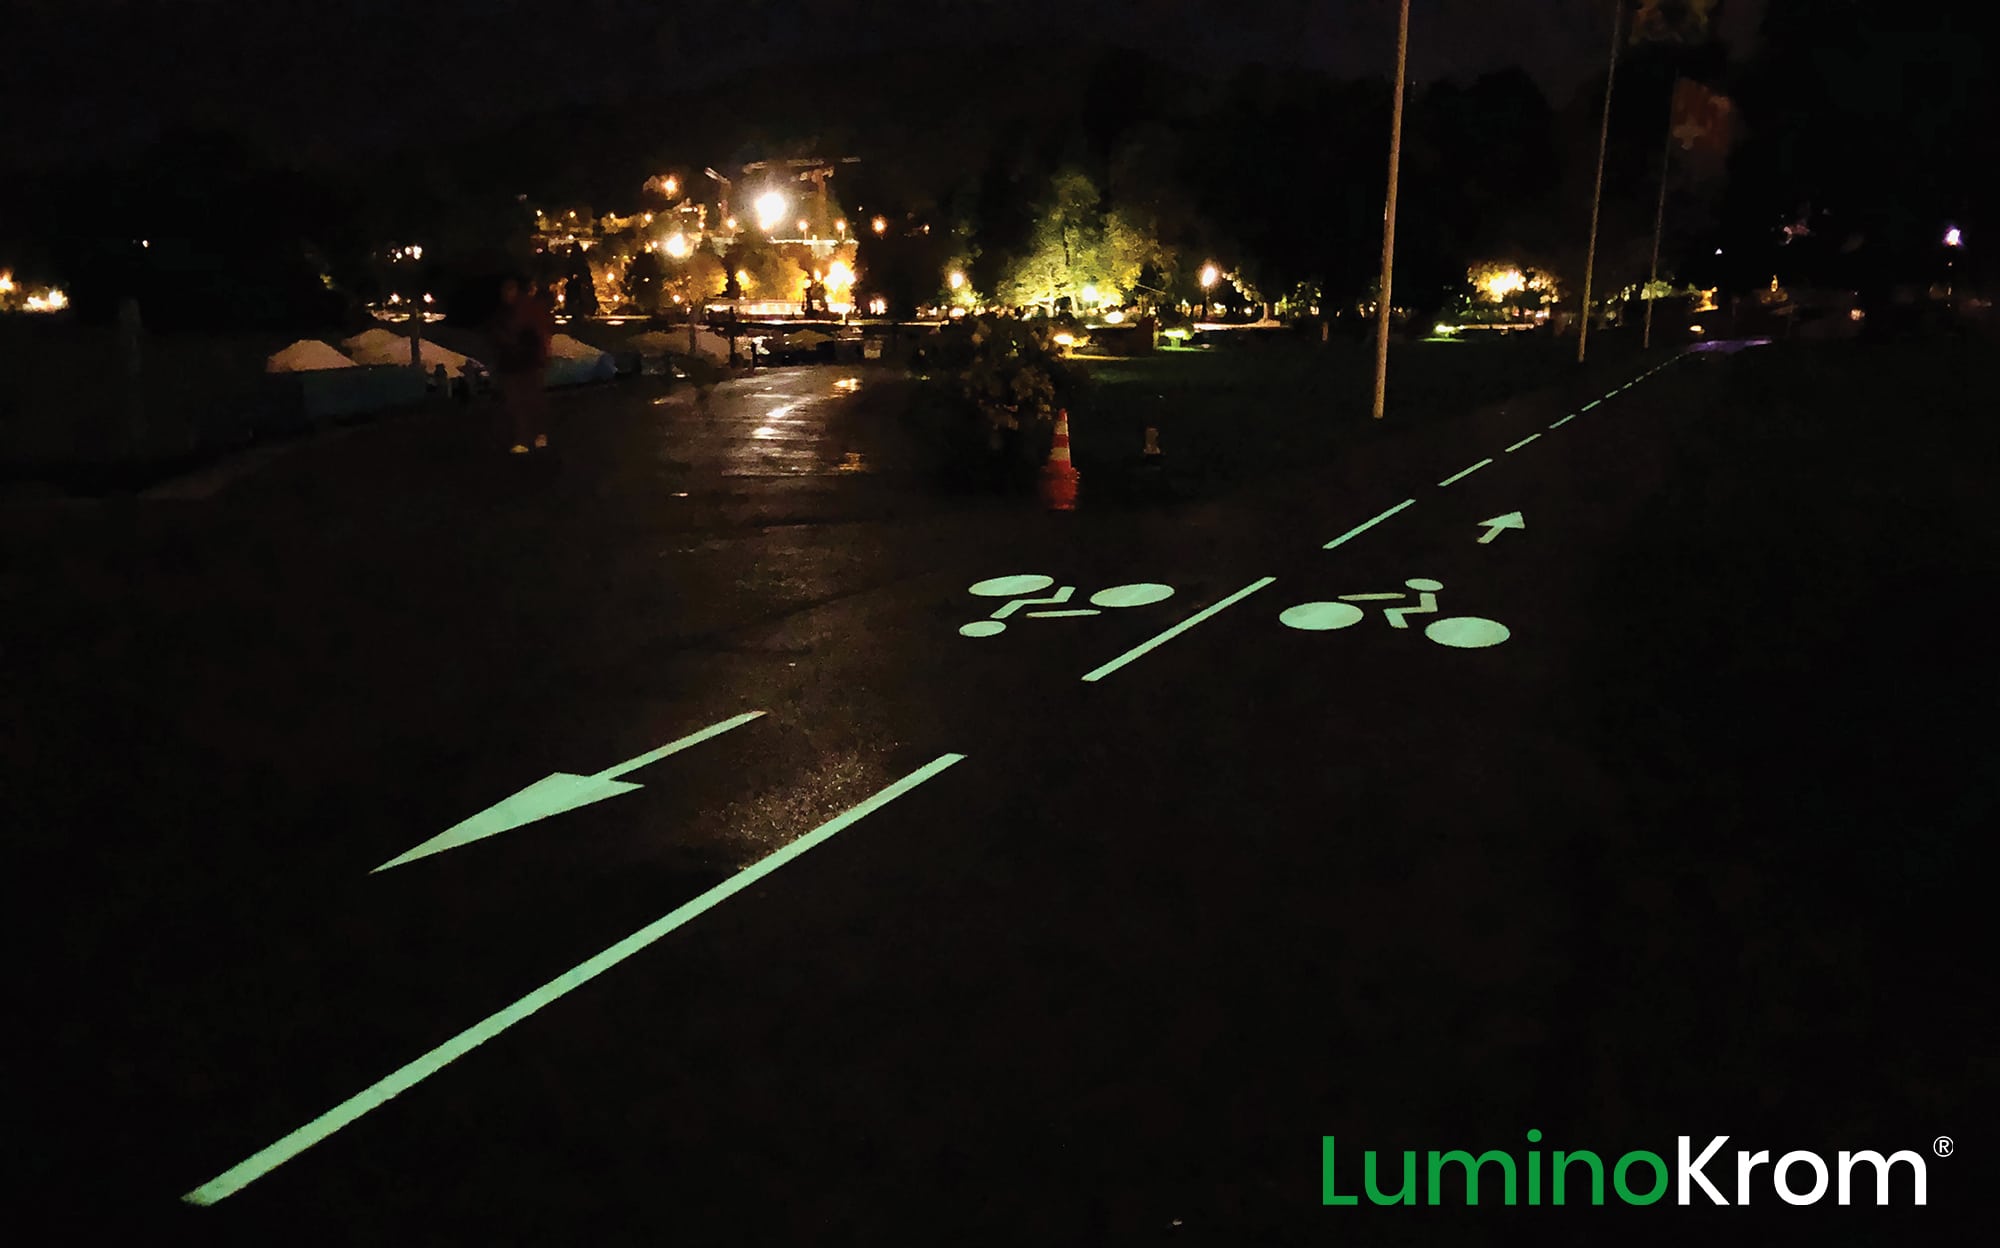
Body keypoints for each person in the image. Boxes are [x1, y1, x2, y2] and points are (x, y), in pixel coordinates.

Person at [487, 275, 553, 453]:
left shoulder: (524, 312)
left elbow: (536, 336)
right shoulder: (507, 313)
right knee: (517, 403)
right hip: (514, 363)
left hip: (526, 362)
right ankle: (525, 437)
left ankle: (535, 435)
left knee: (529, 400)